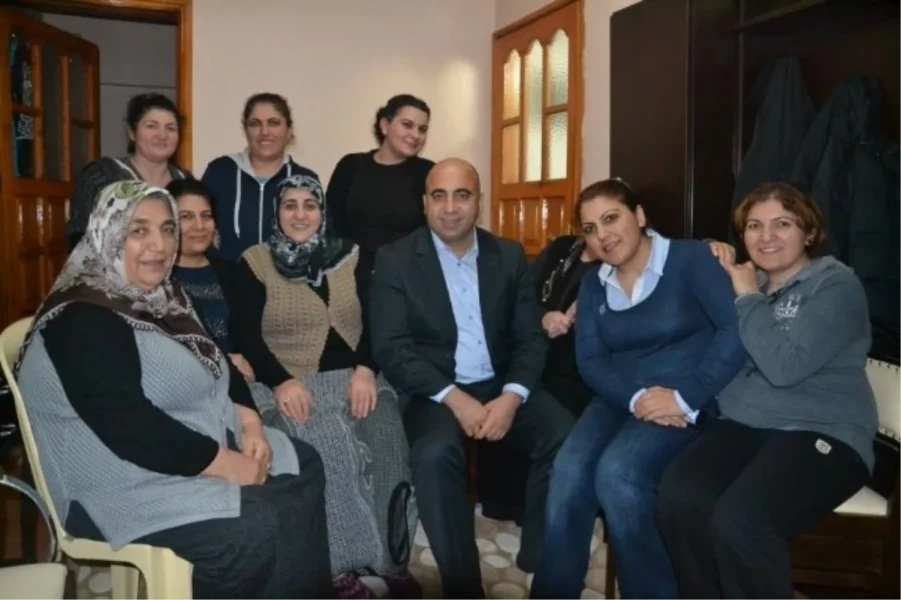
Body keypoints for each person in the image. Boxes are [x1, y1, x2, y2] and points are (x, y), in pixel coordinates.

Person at [15, 181, 332, 600]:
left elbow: (218, 359)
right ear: (107, 234)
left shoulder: (164, 297)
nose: (159, 245)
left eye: (167, 229)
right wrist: (228, 465)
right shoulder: (82, 316)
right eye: (138, 230)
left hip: (184, 444)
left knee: (302, 464)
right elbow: (128, 425)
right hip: (115, 484)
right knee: (254, 525)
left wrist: (250, 422)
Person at [656, 182, 878, 600]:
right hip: (745, 426)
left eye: (783, 224)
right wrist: (707, 254)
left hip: (823, 433)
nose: (766, 236)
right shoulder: (749, 279)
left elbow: (784, 368)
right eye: (754, 226)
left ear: (809, 232)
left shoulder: (835, 286)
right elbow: (673, 285)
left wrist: (747, 298)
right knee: (678, 498)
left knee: (740, 522)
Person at [530, 178, 748, 600]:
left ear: (640, 215)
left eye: (611, 218)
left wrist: (684, 398)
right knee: (568, 471)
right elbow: (591, 361)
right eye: (590, 228)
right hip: (621, 397)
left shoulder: (691, 259)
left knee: (619, 474)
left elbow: (734, 331)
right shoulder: (594, 283)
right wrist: (635, 398)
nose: (603, 235)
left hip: (689, 398)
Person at [369, 158, 574, 599]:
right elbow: (391, 347)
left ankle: (538, 557)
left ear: (479, 201)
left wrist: (512, 396)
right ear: (424, 203)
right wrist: (454, 398)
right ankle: (463, 585)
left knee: (564, 435)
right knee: (434, 455)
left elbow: (529, 337)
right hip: (433, 389)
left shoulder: (508, 255)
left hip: (499, 383)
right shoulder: (395, 259)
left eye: (461, 195)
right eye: (439, 196)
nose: (450, 208)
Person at [230, 175, 418, 599]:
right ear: (276, 213)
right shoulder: (255, 262)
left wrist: (366, 369)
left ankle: (390, 558)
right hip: (290, 384)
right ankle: (337, 566)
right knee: (328, 449)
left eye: (309, 205)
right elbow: (247, 337)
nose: (300, 214)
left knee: (389, 442)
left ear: (322, 211)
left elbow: (377, 319)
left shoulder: (351, 256)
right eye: (289, 205)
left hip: (355, 379)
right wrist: (281, 381)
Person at [327, 94, 433, 286]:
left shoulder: (430, 173)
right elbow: (331, 224)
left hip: (407, 281)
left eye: (422, 129)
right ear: (385, 125)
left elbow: (434, 235)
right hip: (350, 280)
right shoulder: (350, 166)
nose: (416, 135)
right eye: (407, 125)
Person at [201, 93, 319, 261]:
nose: (264, 132)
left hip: (287, 277)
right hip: (228, 277)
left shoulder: (305, 179)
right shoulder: (220, 171)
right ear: (245, 130)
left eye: (274, 123)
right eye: (255, 124)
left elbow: (322, 237)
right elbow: (198, 224)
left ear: (288, 131)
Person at [66, 93, 191, 249]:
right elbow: (79, 237)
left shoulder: (185, 181)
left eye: (171, 128)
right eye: (151, 126)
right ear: (132, 132)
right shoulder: (105, 175)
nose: (162, 135)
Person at [167, 178, 255, 382]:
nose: (199, 226)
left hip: (243, 383)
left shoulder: (234, 273)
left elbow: (251, 338)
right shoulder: (157, 279)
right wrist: (226, 365)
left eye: (206, 216)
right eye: (186, 216)